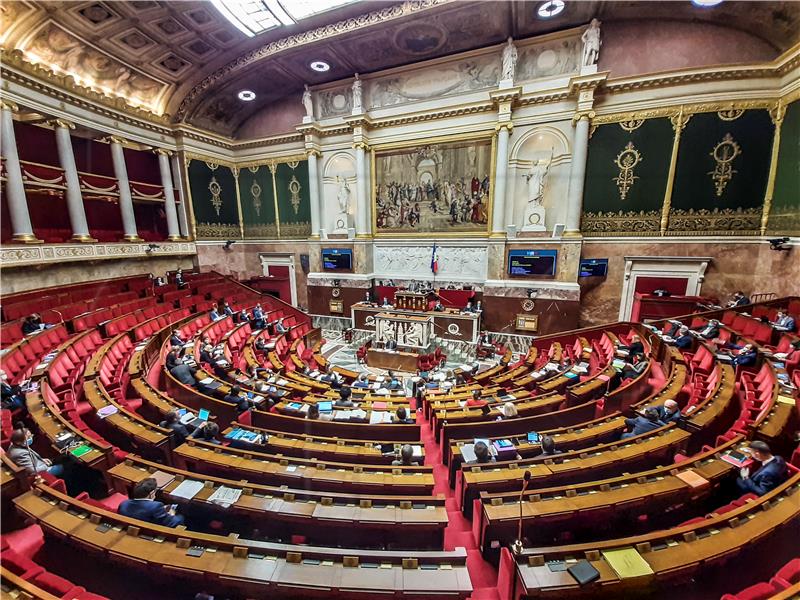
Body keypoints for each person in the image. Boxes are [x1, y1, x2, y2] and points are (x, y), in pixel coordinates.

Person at [118, 478, 184, 527]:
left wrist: (162, 511)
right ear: (152, 493)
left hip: (132, 529)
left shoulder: (124, 504)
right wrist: (172, 514)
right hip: (153, 532)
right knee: (182, 517)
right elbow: (172, 523)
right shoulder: (156, 506)